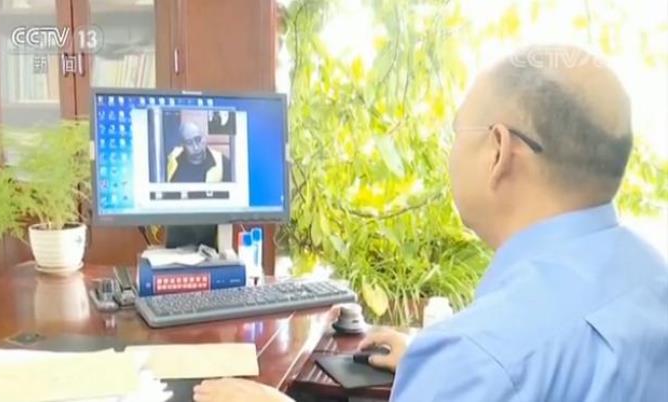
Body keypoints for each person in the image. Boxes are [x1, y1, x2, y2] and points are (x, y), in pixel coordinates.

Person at [192, 45, 668, 402]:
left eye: (457, 132)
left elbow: (500, 360)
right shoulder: (651, 278)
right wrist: (430, 367)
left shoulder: (476, 357)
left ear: (499, 151)